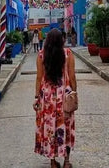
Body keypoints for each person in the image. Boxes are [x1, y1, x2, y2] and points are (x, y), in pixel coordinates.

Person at [34, 28, 76, 168]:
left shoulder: (41, 55)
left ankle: (52, 162)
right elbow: (72, 76)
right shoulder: (68, 54)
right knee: (66, 128)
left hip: (47, 100)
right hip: (64, 97)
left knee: (50, 129)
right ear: (61, 40)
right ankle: (67, 161)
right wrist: (74, 92)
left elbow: (39, 78)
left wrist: (36, 97)